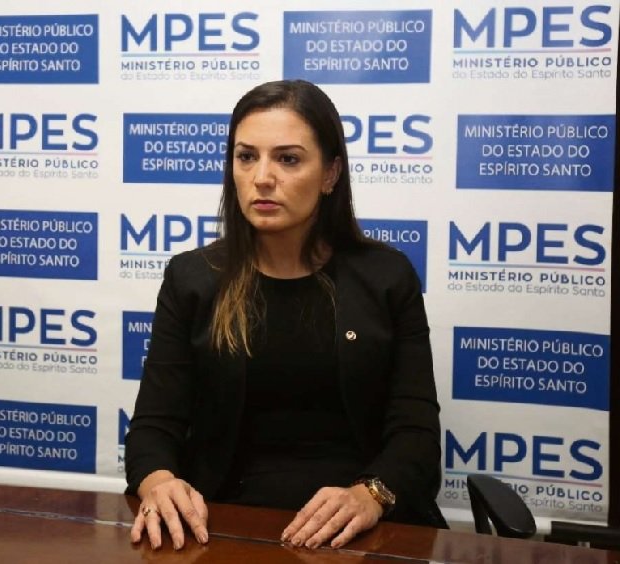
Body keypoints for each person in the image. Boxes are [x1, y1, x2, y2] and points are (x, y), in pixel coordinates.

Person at [125, 79, 446, 551]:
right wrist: (158, 482)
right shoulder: (192, 278)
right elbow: (153, 427)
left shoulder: (386, 277)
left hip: (357, 532)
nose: (262, 177)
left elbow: (416, 436)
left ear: (330, 174)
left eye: (288, 159)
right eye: (246, 157)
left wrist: (370, 495)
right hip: (222, 524)